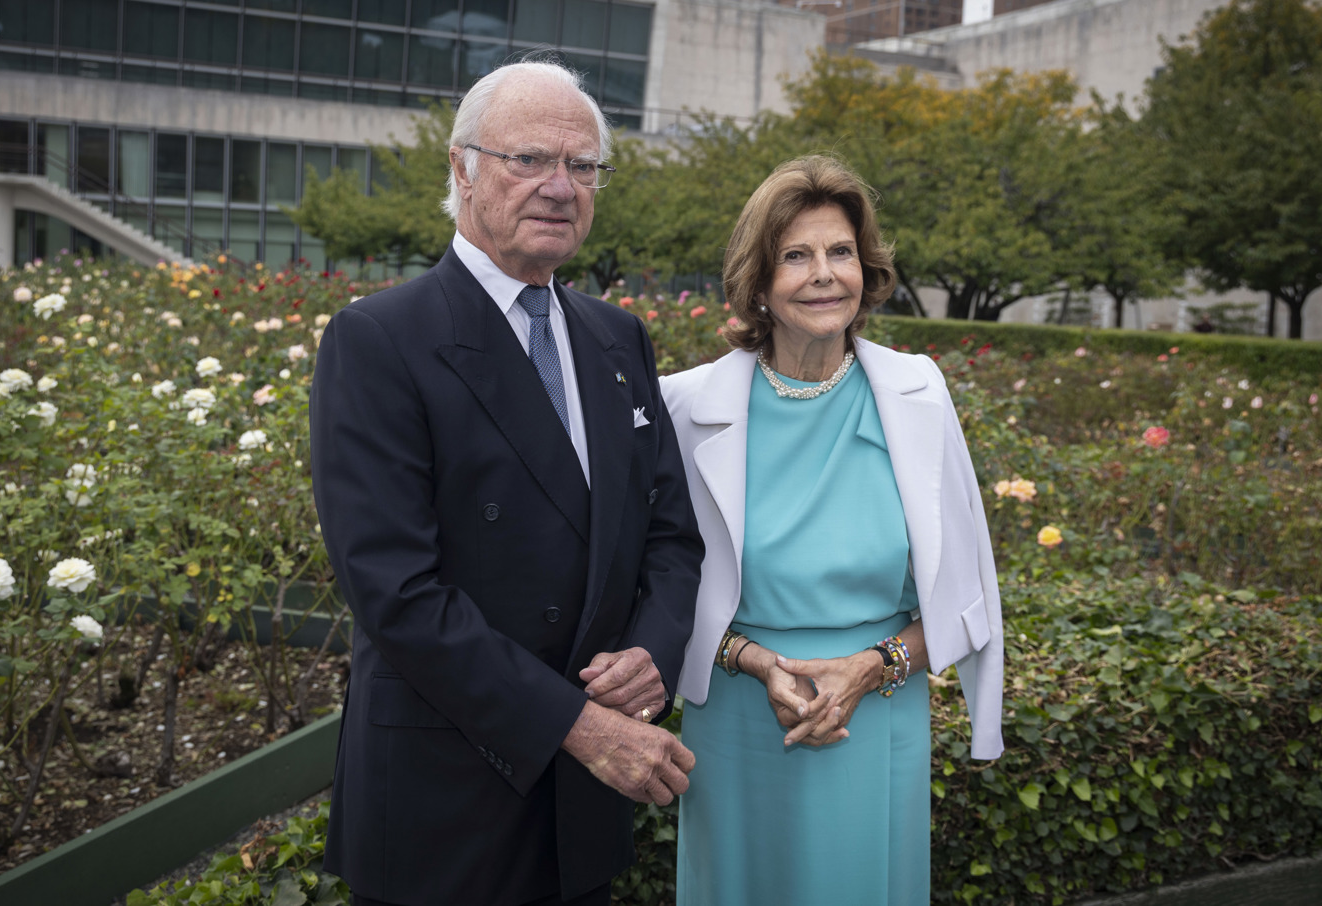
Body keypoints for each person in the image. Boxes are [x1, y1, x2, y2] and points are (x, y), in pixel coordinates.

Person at [309, 60, 704, 906]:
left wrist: (654, 654)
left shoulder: (618, 339)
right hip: (445, 805)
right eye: (529, 159)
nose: (560, 187)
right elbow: (395, 592)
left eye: (582, 165)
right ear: (462, 167)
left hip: (583, 812)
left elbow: (671, 536)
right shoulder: (379, 339)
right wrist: (579, 725)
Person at [661, 156, 1005, 905]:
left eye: (841, 251)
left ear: (865, 268)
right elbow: (658, 585)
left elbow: (963, 595)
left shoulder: (918, 393)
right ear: (757, 283)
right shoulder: (683, 407)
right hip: (739, 718)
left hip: (878, 717)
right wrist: (755, 661)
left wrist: (871, 667)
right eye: (796, 255)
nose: (824, 274)